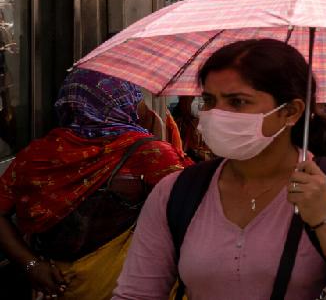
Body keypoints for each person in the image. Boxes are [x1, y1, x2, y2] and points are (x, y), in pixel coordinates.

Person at [114, 39, 326, 300]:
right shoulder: (177, 192)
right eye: (209, 101)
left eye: (238, 102)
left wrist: (325, 219)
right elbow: (136, 293)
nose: (217, 115)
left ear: (291, 112)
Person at [0, 70, 190, 300]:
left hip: (56, 286)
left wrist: (31, 265)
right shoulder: (150, 154)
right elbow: (193, 208)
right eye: (135, 98)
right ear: (123, 104)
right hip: (128, 287)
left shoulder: (37, 155)